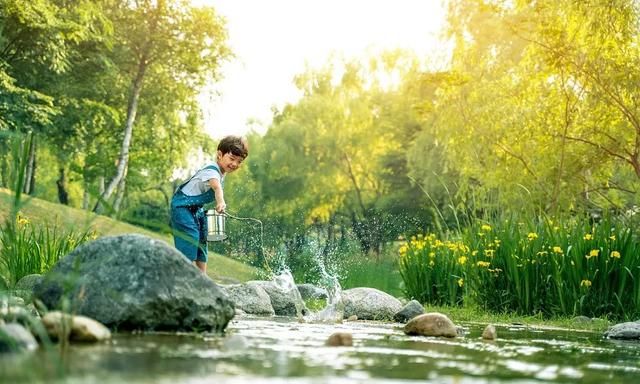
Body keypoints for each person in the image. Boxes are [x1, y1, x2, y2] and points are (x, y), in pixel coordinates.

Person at [170, 135, 248, 273]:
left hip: (195, 209)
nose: (235, 164)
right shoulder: (211, 171)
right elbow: (216, 187)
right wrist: (221, 201)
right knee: (191, 238)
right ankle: (182, 274)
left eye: (239, 161)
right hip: (181, 207)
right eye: (232, 159)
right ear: (219, 154)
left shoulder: (221, 173)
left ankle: (203, 278)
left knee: (202, 240)